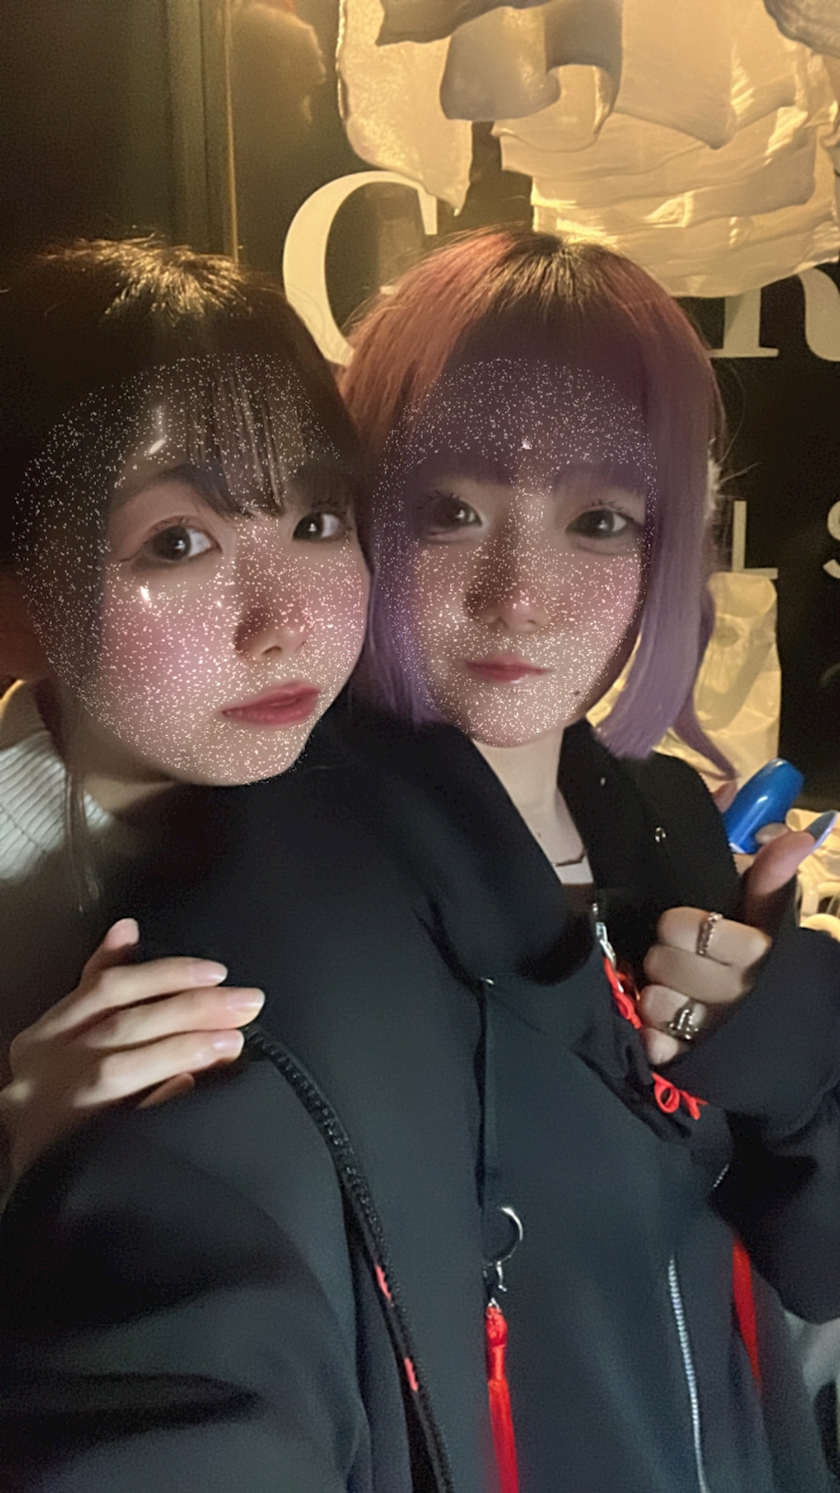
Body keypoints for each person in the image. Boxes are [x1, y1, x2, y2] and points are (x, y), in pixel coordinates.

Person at [2, 230, 840, 1493]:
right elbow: (188, 1368)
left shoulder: (665, 825)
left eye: (600, 519)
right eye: (452, 510)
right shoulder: (261, 909)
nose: (520, 597)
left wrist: (802, 1077)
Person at [0, 237, 369, 1175]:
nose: (284, 625)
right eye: (176, 542)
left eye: (318, 520)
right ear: (18, 611)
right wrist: (23, 1160)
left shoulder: (378, 793)